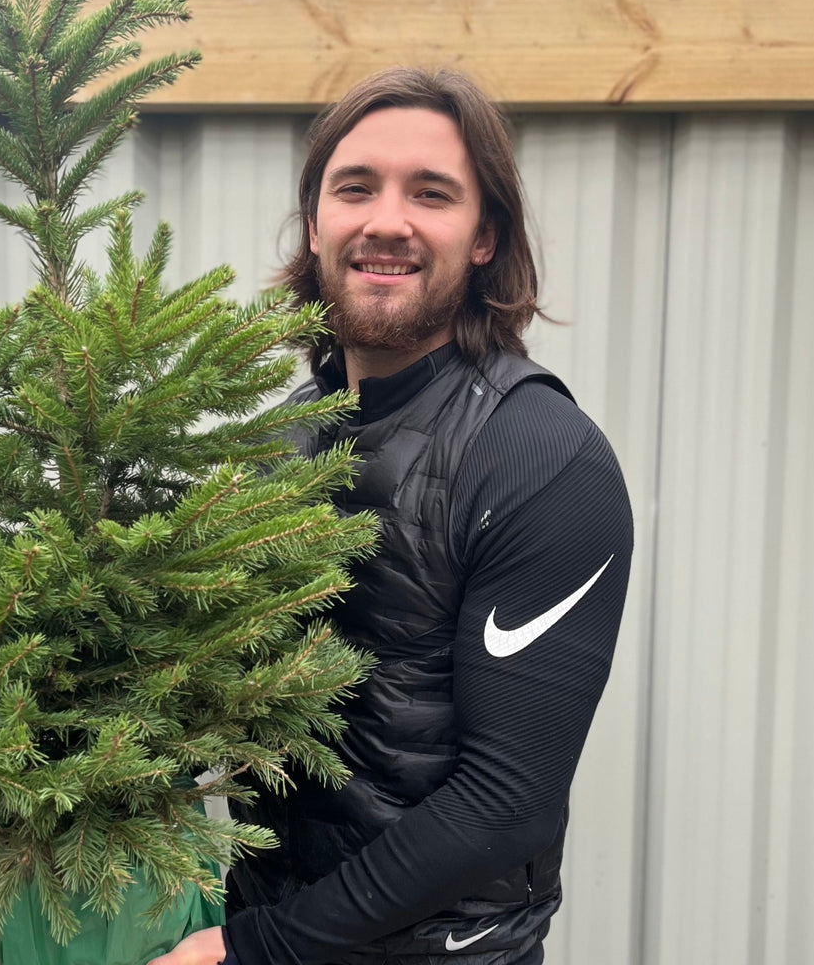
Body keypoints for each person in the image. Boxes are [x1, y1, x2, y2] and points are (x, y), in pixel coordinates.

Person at [150, 67, 633, 965]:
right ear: (317, 223)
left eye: (431, 193)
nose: (385, 220)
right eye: (356, 187)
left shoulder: (544, 458)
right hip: (255, 924)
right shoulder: (283, 441)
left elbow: (505, 799)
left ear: (485, 236)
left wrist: (255, 951)